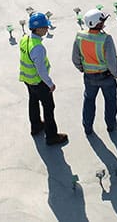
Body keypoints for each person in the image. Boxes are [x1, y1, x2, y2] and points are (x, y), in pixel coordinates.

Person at [19, 11, 68, 146]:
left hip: (27, 79)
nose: (47, 29)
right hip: (39, 82)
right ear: (38, 28)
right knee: (49, 107)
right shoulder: (38, 48)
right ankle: (52, 136)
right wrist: (50, 84)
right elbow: (41, 70)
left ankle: (36, 127)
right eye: (45, 27)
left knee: (33, 102)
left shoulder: (24, 39)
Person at [72, 9, 117, 134]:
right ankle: (111, 126)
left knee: (89, 101)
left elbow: (75, 58)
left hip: (89, 76)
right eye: (102, 21)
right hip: (106, 77)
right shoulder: (106, 39)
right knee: (110, 101)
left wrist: (82, 68)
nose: (104, 22)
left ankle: (87, 127)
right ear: (97, 23)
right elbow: (111, 61)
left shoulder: (80, 36)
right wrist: (115, 73)